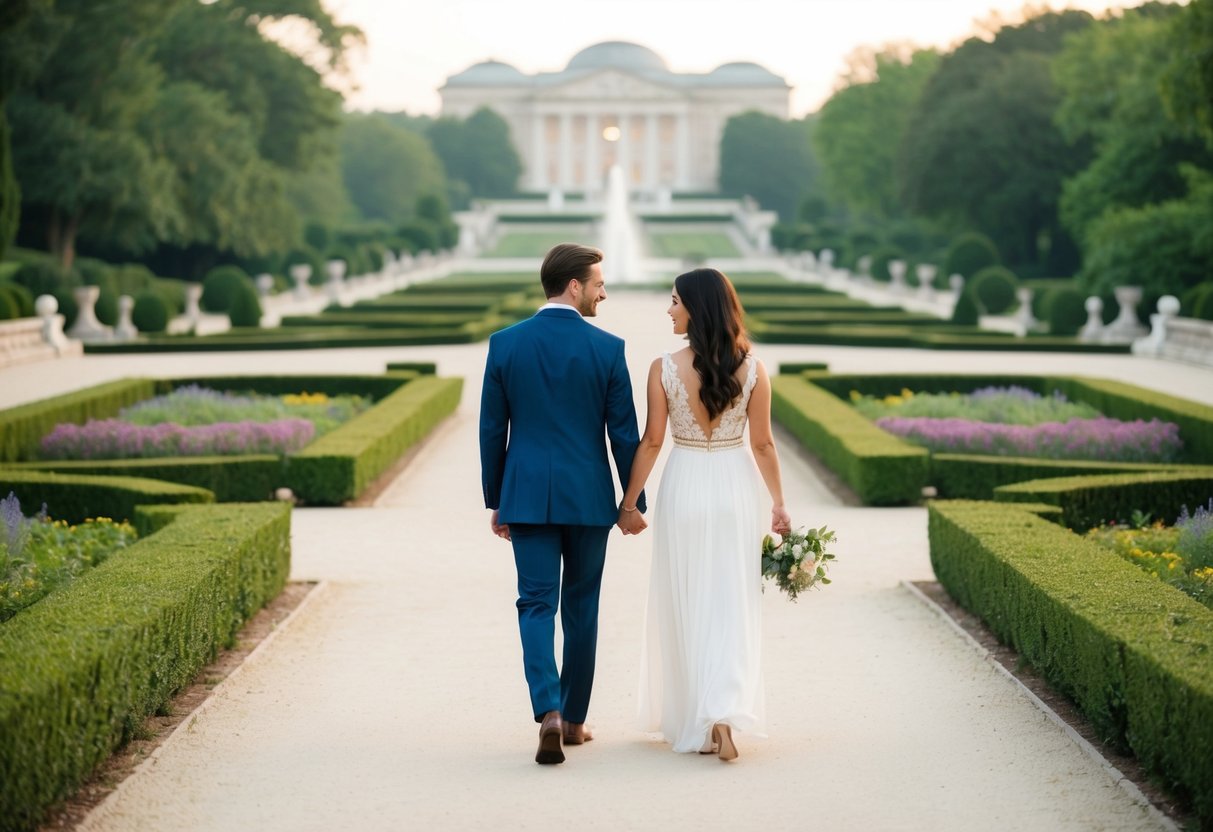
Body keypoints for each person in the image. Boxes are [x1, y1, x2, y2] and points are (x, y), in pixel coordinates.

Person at [480, 243, 645, 765]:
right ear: (573, 286)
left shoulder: (505, 344)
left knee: (534, 603)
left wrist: (496, 498)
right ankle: (573, 721)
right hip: (589, 497)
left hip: (525, 495)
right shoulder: (608, 348)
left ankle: (547, 709)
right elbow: (625, 435)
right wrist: (632, 500)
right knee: (582, 607)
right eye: (597, 282)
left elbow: (491, 430)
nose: (603, 292)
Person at [617, 267, 791, 762]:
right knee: (730, 596)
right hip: (734, 486)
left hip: (686, 481)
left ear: (695, 307)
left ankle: (701, 711)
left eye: (674, 300)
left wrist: (628, 504)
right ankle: (725, 711)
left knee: (686, 593)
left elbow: (652, 442)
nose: (668, 309)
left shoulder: (663, 368)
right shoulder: (754, 370)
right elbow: (763, 444)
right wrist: (778, 503)